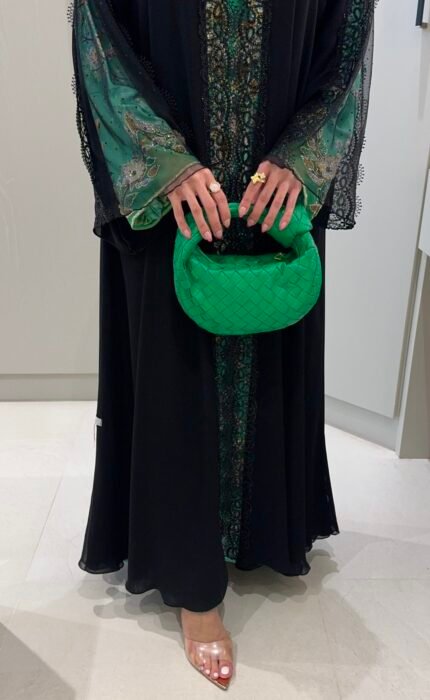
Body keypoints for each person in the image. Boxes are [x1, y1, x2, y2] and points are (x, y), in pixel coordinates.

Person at [70, 0, 375, 690]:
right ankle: (193, 582)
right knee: (175, 372)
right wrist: (167, 164)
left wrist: (302, 159)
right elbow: (100, 32)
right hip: (170, 196)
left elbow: (348, 37)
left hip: (279, 190)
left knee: (271, 349)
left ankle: (258, 533)